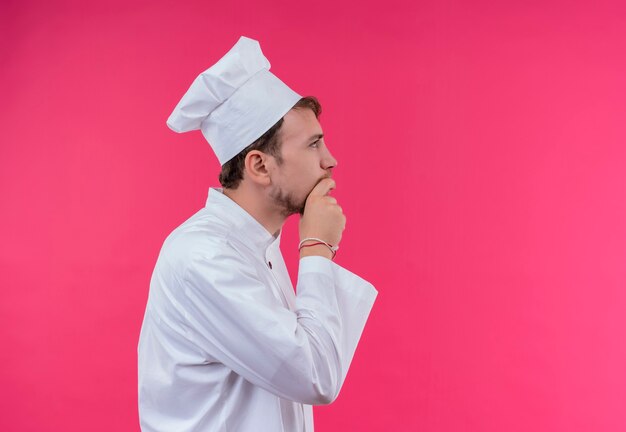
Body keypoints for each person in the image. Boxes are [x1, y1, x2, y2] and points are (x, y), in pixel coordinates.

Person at [137, 36, 377, 432]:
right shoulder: (204, 256)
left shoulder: (257, 248)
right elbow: (315, 375)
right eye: (314, 144)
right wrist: (317, 246)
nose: (330, 160)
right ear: (260, 167)